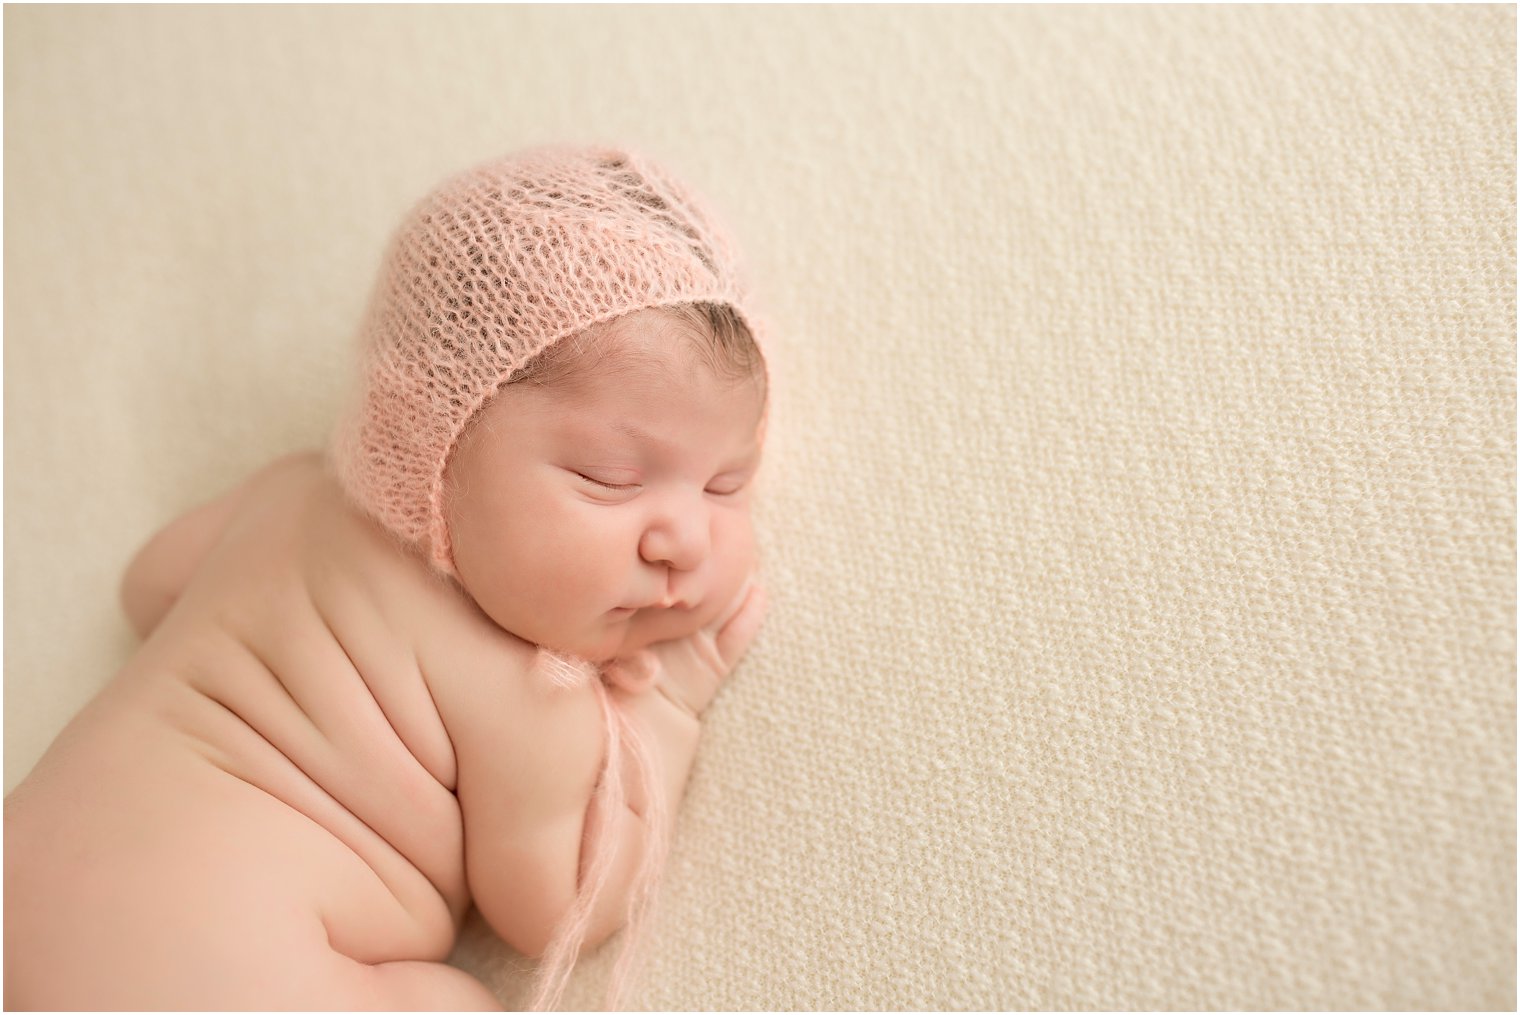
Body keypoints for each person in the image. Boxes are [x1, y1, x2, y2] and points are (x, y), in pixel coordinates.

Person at [3, 145, 771, 1011]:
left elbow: (146, 586)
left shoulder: (289, 491)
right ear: (432, 437)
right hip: (224, 970)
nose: (682, 538)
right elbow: (560, 905)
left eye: (725, 484)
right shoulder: (525, 685)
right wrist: (664, 706)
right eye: (608, 478)